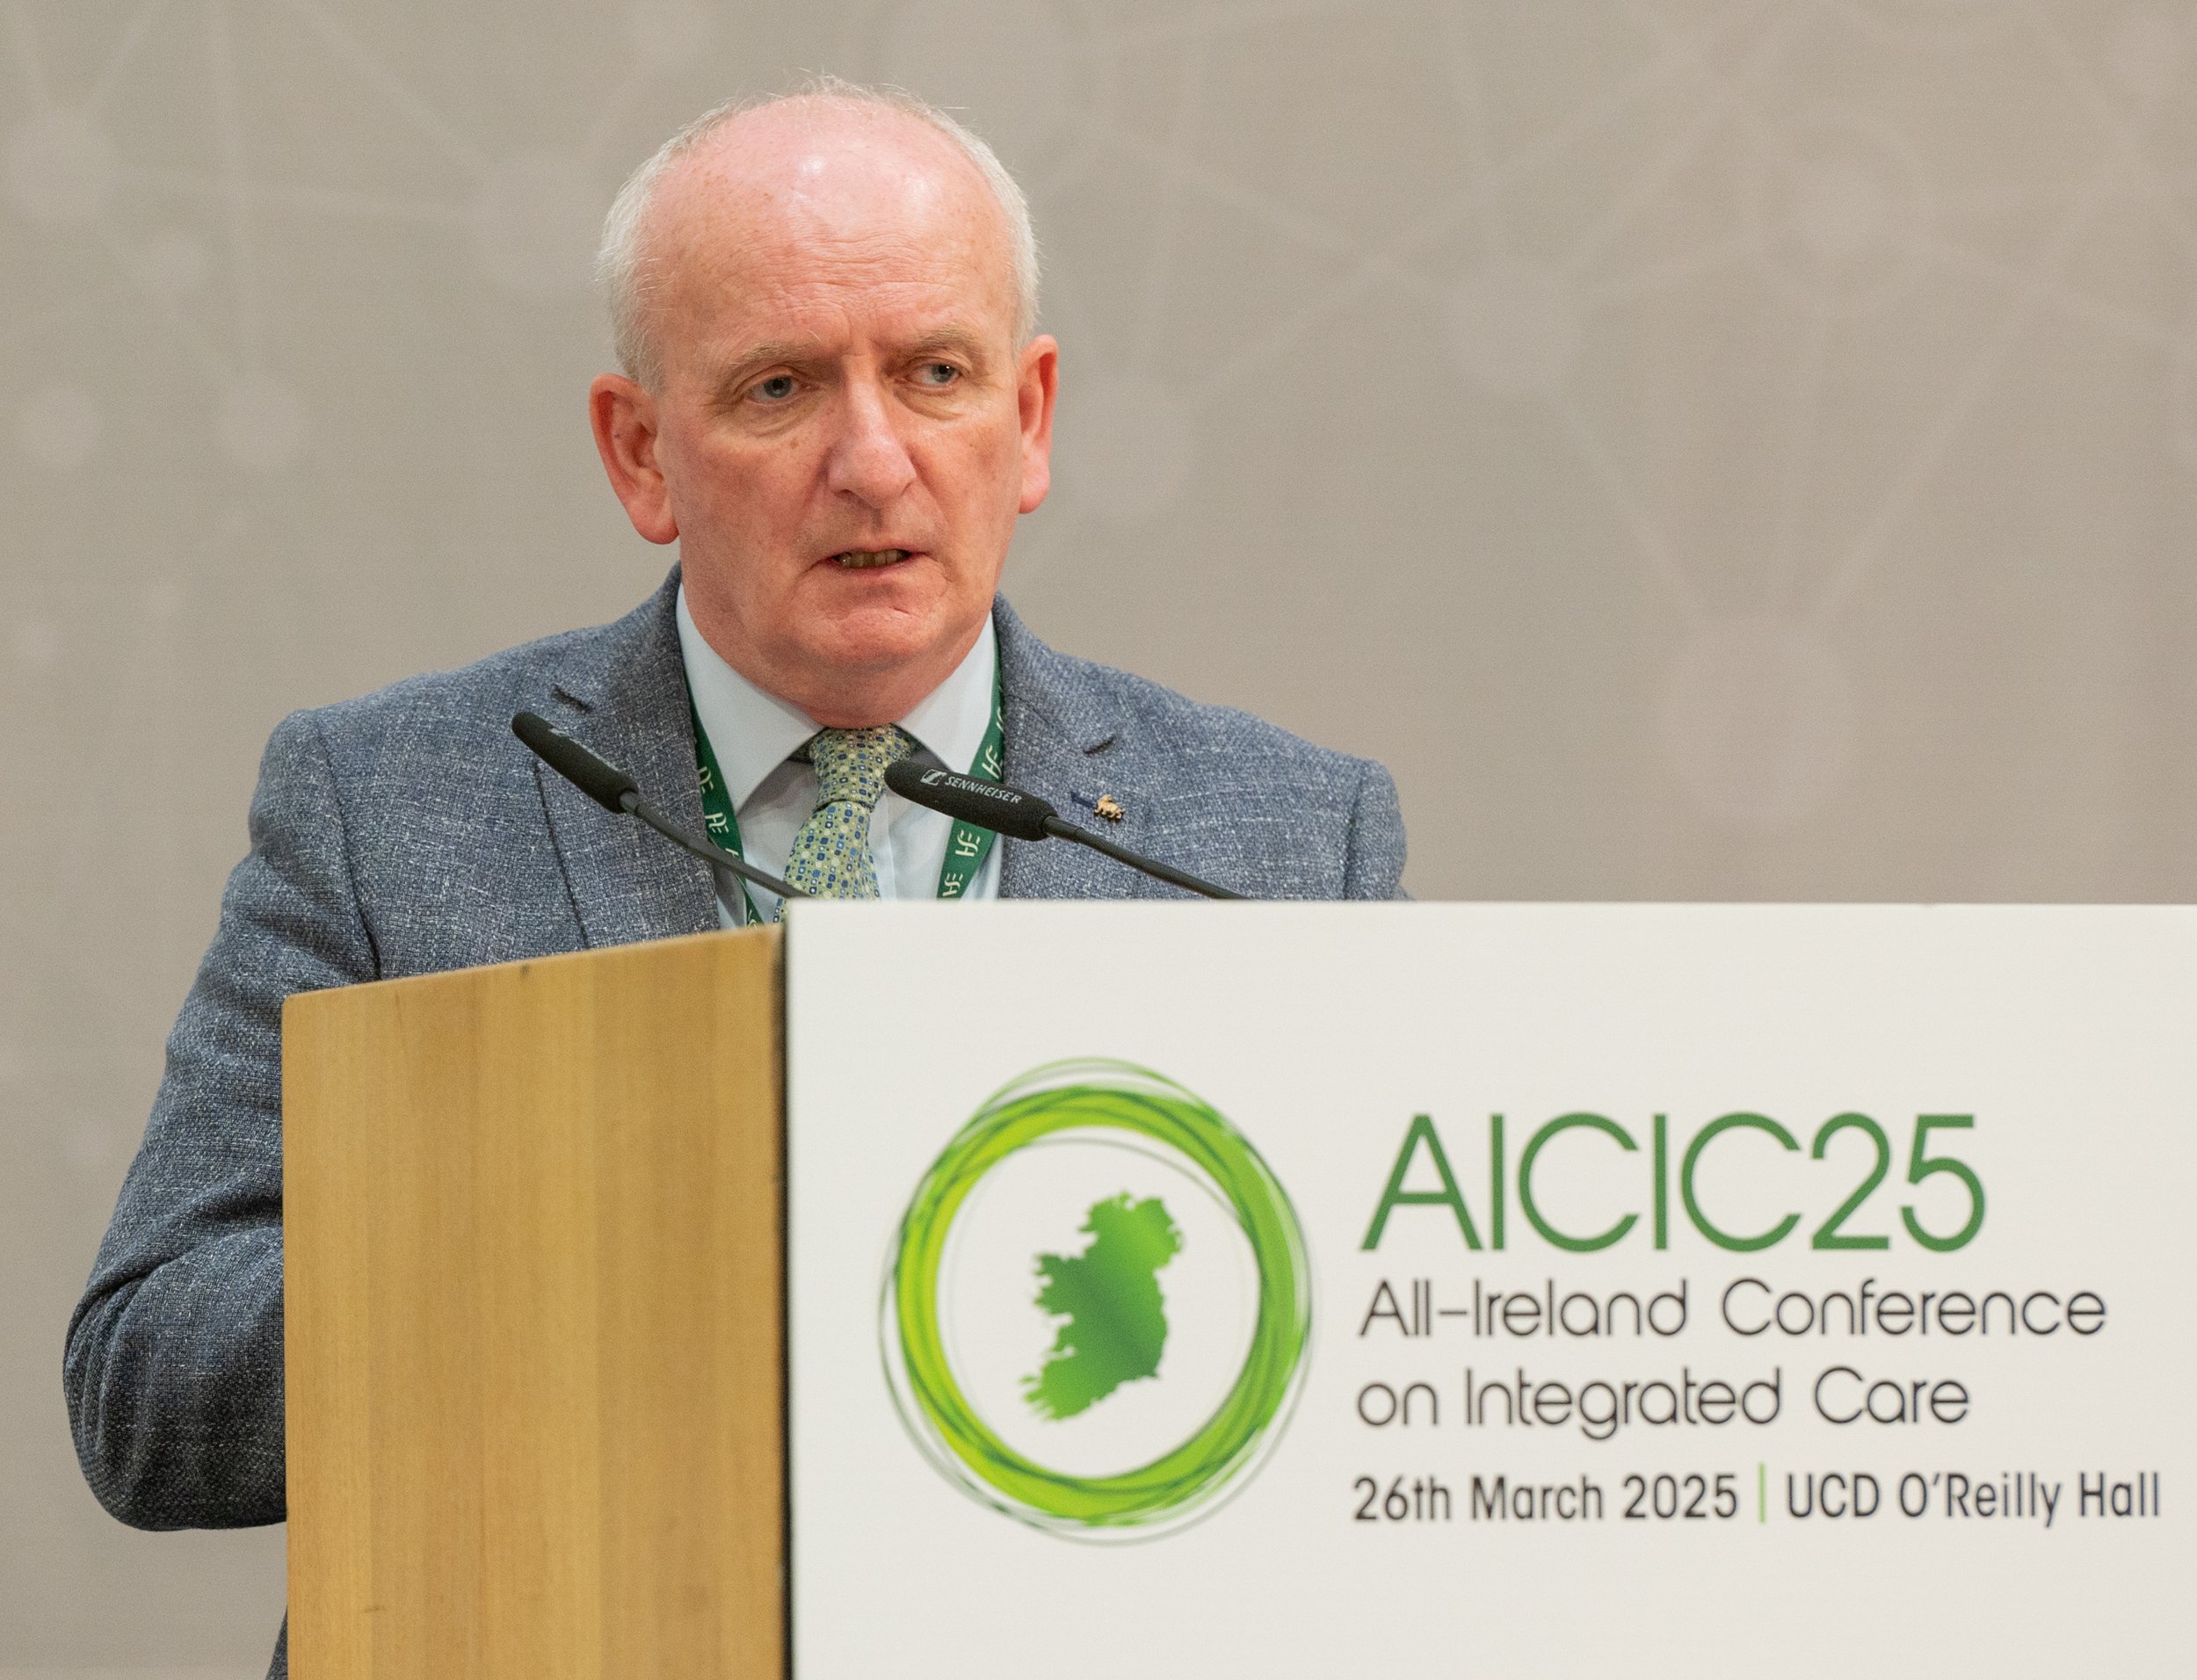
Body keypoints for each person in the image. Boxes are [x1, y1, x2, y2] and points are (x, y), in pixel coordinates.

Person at [64, 81, 1406, 1676]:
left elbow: (1371, 1397)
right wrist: (581, 1230)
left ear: (1030, 420)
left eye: (937, 376)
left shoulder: (1275, 839)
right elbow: (147, 1399)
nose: (872, 459)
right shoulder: (389, 798)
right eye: (780, 388)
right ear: (642, 454)